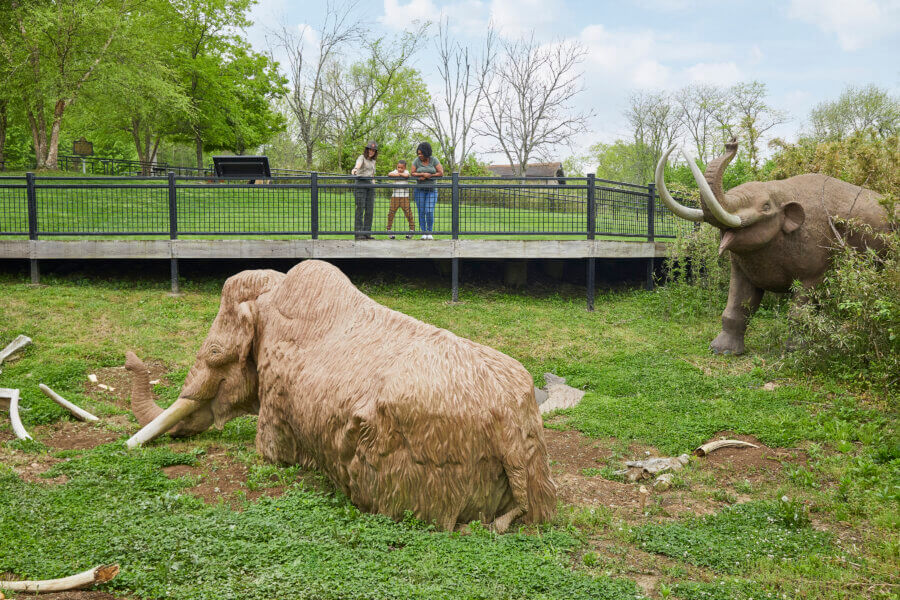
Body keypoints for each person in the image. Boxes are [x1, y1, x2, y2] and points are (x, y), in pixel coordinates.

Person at [410, 142, 443, 239]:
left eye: (421, 153)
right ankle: (423, 232)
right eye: (418, 153)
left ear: (427, 152)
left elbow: (441, 173)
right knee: (421, 211)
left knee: (429, 211)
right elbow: (412, 173)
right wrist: (422, 175)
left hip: (432, 190)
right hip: (419, 190)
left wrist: (430, 176)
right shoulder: (416, 161)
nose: (419, 155)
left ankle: (430, 232)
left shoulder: (434, 160)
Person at [351, 140, 378, 240]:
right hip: (360, 183)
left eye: (373, 150)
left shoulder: (373, 161)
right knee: (360, 209)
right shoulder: (361, 157)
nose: (371, 152)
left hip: (370, 186)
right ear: (367, 150)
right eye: (370, 150)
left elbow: (372, 175)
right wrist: (355, 170)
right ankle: (358, 234)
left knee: (369, 210)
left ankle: (367, 233)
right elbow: (358, 165)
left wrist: (374, 185)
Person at [386, 160, 415, 239]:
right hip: (395, 197)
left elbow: (406, 176)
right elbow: (389, 174)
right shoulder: (395, 171)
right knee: (391, 213)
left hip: (404, 197)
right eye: (398, 167)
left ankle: (412, 230)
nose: (399, 169)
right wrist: (398, 174)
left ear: (405, 167)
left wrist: (399, 175)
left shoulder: (406, 172)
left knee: (408, 213)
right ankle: (389, 230)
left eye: (401, 168)